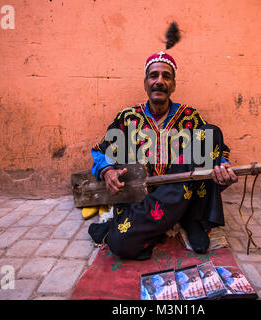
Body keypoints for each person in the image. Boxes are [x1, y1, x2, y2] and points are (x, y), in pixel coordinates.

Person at [88, 51, 238, 260]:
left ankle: (188, 221)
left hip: (186, 198)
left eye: (166, 76)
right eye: (154, 76)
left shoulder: (190, 117)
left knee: (210, 133)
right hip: (142, 202)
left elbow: (218, 151)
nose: (160, 81)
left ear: (173, 85)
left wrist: (222, 167)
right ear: (145, 83)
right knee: (120, 244)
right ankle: (162, 223)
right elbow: (100, 151)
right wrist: (107, 171)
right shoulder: (127, 117)